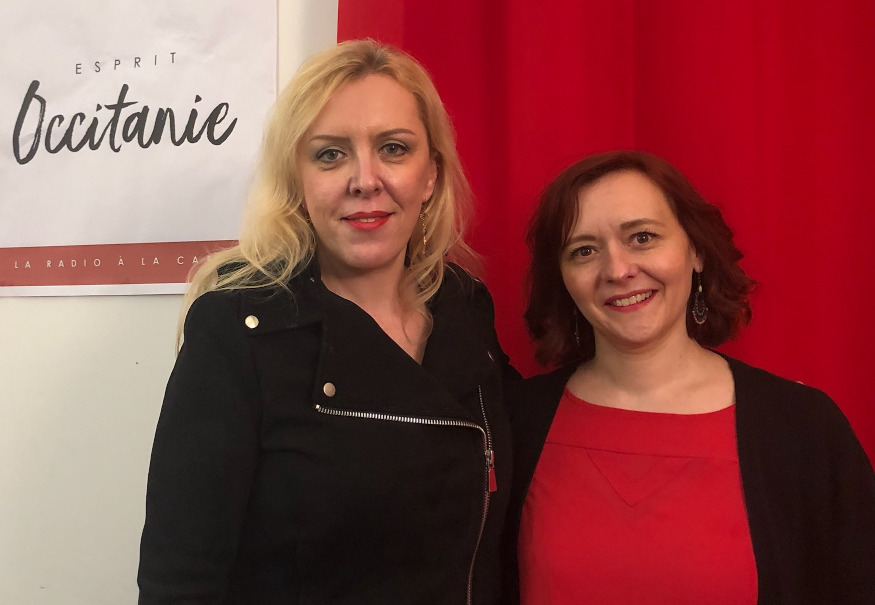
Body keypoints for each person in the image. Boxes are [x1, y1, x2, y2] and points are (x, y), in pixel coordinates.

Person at [138, 40, 511, 604]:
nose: (365, 179)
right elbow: (179, 584)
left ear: (431, 175)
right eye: (331, 154)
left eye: (393, 148)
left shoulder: (465, 307)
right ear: (299, 179)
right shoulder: (237, 328)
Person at [505, 150, 875, 604]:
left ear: (696, 250)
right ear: (563, 278)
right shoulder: (513, 424)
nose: (617, 270)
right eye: (584, 251)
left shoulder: (803, 429)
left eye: (642, 237)